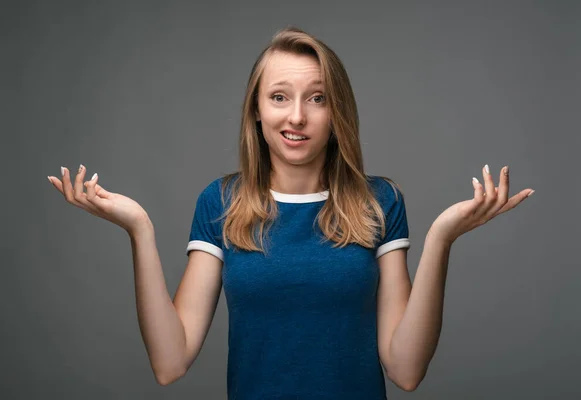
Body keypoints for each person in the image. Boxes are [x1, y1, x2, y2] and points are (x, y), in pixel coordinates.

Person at [48, 26, 534, 399]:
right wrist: (140, 229)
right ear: (257, 112)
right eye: (279, 97)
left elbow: (405, 371)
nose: (296, 116)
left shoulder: (378, 203)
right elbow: (169, 363)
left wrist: (442, 239)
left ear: (336, 112)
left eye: (316, 99)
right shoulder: (220, 203)